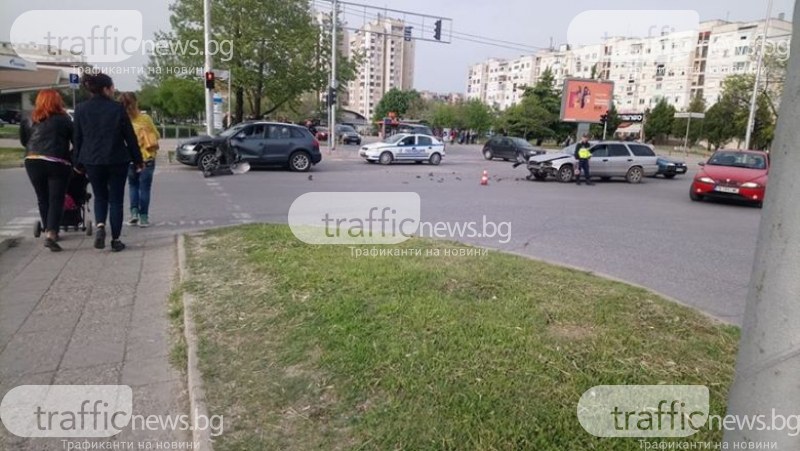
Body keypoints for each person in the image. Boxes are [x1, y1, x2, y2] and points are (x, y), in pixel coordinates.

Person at [73, 73, 143, 252]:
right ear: (105, 89)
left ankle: (100, 227)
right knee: (116, 200)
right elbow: (130, 137)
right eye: (112, 88)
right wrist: (138, 160)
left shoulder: (81, 109)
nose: (113, 91)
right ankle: (116, 239)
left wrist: (78, 162)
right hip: (117, 159)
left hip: (92, 160)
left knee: (100, 196)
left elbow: (77, 138)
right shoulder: (117, 108)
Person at [20, 89, 74, 252]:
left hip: (32, 160)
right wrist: (72, 158)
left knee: (42, 198)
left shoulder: (29, 119)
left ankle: (48, 230)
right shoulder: (64, 119)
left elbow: (24, 141)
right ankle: (51, 233)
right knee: (56, 199)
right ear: (57, 101)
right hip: (56, 161)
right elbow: (76, 140)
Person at [120, 92, 160, 228]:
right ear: (136, 102)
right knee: (145, 188)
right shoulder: (145, 118)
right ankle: (144, 218)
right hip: (147, 157)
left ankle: (134, 214)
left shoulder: (121, 119)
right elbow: (156, 135)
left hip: (129, 158)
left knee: (133, 185)